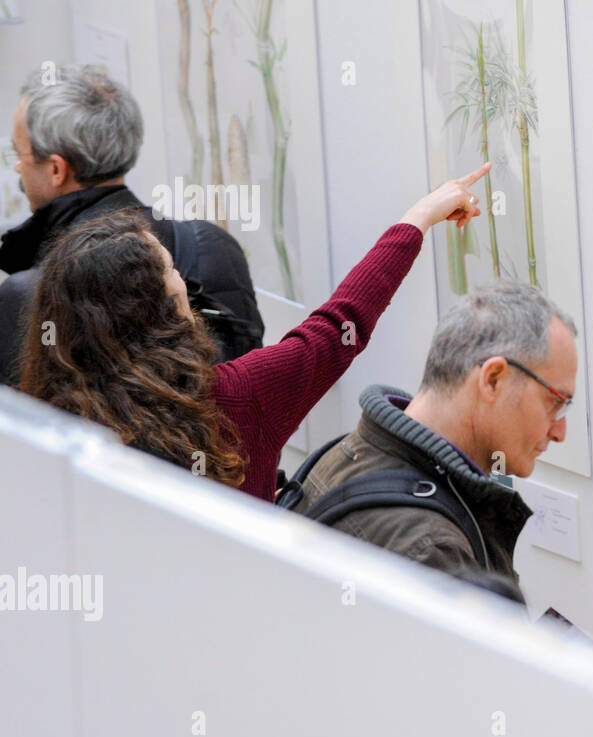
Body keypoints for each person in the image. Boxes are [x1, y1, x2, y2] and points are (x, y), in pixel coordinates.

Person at [18, 163, 491, 501]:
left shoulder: (45, 436)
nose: (185, 278)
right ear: (161, 308)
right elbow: (340, 324)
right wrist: (420, 217)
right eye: (170, 269)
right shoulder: (236, 402)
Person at [280, 281, 578, 592]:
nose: (560, 432)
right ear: (492, 380)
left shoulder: (344, 453)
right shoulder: (431, 553)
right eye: (555, 402)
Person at [1, 64, 263, 382]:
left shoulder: (31, 293)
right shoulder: (213, 247)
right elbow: (250, 386)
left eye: (19, 153)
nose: (16, 168)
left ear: (57, 169)